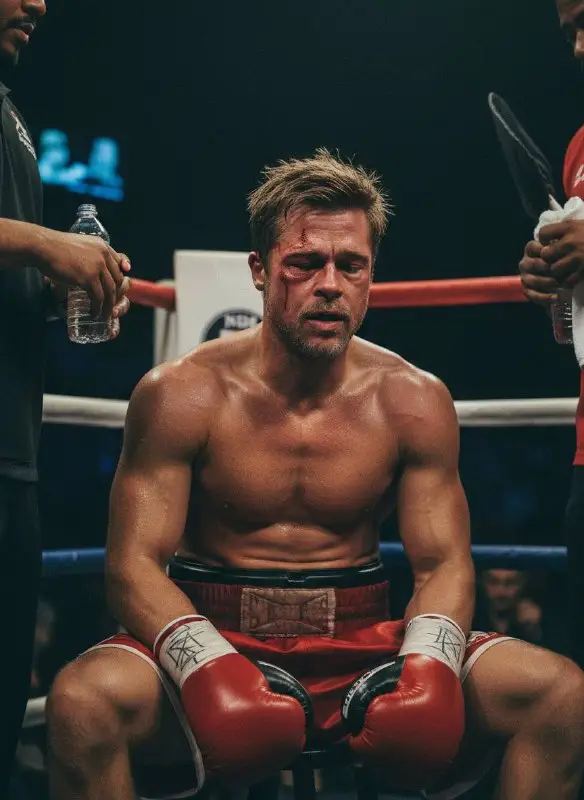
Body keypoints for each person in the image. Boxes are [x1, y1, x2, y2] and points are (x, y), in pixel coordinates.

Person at [46, 148, 584, 800]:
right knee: (81, 702)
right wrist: (207, 662)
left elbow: (443, 563)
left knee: (560, 695)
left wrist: (431, 664)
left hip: (367, 640)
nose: (329, 283)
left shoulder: (413, 398)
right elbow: (131, 565)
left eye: (350, 265)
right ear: (259, 270)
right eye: (304, 263)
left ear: (370, 275)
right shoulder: (181, 394)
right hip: (216, 631)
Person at [0, 1, 131, 793]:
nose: (38, 4)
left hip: (15, 451)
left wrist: (55, 288)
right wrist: (52, 245)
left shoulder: (11, 114)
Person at [518, 0, 584, 672]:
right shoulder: (578, 149)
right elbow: (571, 331)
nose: (577, 48)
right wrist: (551, 281)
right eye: (569, 33)